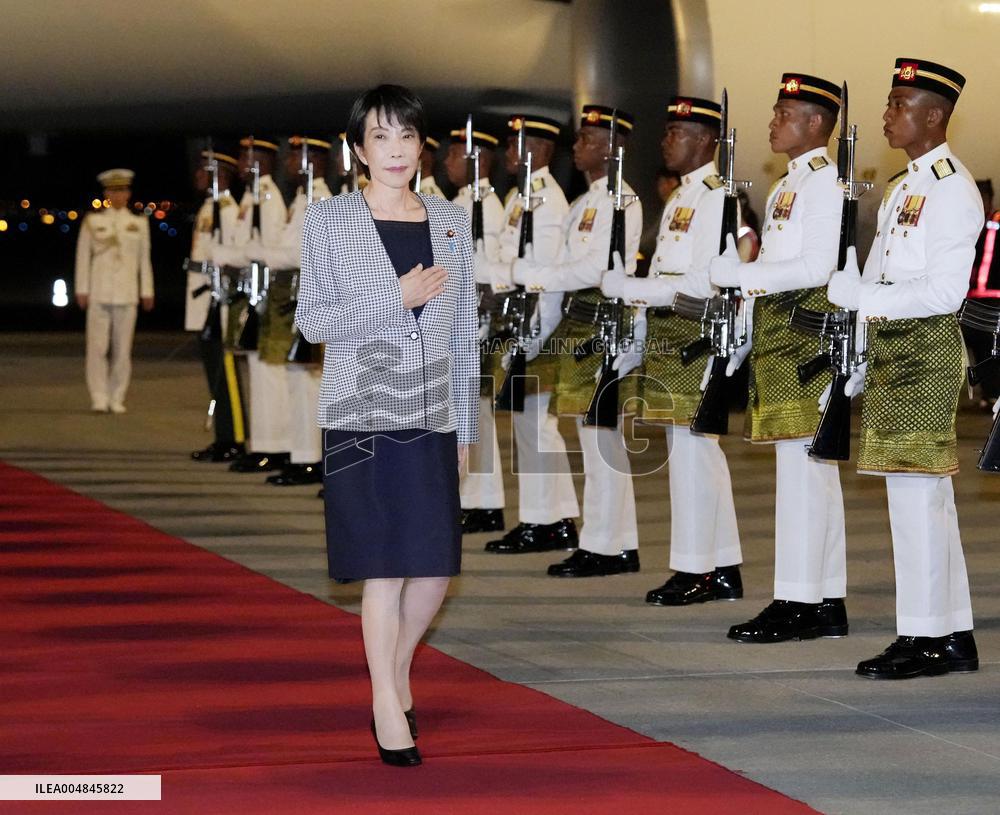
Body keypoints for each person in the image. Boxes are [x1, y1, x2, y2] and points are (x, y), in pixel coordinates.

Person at [296, 84, 478, 765]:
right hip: (361, 408)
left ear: (421, 146)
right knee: (384, 565)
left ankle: (394, 668)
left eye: (406, 136)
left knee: (433, 565)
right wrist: (391, 297)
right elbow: (314, 320)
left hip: (432, 409)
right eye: (380, 137)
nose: (395, 150)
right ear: (358, 148)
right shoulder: (328, 220)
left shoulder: (453, 221)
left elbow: (465, 332)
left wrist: (466, 425)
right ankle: (384, 703)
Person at [827, 58, 982, 679]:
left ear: (935, 116)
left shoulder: (952, 187)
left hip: (923, 353)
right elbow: (881, 273)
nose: (887, 114)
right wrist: (859, 339)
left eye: (899, 103)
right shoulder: (902, 185)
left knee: (916, 501)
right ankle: (951, 634)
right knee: (925, 500)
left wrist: (863, 300)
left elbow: (946, 292)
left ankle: (924, 637)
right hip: (893, 350)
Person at [710, 73, 848, 643]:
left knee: (804, 474)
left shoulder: (822, 183)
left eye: (783, 113)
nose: (773, 122)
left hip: (804, 338)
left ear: (815, 124)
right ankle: (820, 599)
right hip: (781, 334)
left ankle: (800, 600)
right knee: (805, 473)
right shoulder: (791, 183)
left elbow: (816, 268)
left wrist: (741, 273)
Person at [603, 95, 742, 605]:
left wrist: (635, 290)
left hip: (694, 333)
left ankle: (697, 569)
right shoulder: (684, 195)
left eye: (677, 132)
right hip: (669, 332)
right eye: (667, 131)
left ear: (705, 141)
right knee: (694, 455)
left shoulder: (715, 196)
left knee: (693, 456)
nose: (666, 140)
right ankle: (721, 565)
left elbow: (704, 279)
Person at [512, 104, 643, 578]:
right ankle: (611, 541)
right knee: (591, 438)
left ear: (612, 149)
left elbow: (594, 270)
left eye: (588, 139)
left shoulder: (620, 200)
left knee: (602, 439)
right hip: (578, 323)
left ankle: (608, 545)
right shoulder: (588, 201)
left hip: (602, 325)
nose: (578, 146)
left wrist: (540, 276)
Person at [483, 114, 581, 552]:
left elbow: (544, 277)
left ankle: (545, 521)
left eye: (514, 144)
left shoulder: (546, 201)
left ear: (539, 150)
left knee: (537, 425)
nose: (507, 153)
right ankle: (551, 519)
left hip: (537, 324)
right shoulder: (519, 195)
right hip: (518, 322)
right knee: (530, 426)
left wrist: (534, 337)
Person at [210, 136, 292, 473]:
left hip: (265, 293)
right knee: (257, 372)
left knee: (268, 373)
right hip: (251, 290)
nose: (242, 163)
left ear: (263, 161)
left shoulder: (268, 198)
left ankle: (275, 445)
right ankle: (263, 442)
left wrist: (226, 256)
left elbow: (266, 249)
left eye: (248, 157)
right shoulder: (254, 196)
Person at [443, 124, 507, 533]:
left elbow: (489, 265)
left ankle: (486, 502)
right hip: (458, 316)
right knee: (468, 410)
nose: (448, 162)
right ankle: (474, 498)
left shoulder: (490, 206)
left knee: (478, 412)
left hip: (478, 320)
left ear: (476, 159)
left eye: (455, 154)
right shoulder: (463, 202)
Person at [261, 136, 334, 486]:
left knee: (308, 381)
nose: (288, 164)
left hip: (311, 294)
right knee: (297, 379)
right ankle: (301, 453)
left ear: (313, 161)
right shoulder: (304, 198)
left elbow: (304, 251)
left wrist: (268, 254)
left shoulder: (320, 199)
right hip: (295, 293)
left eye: (295, 158)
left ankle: (311, 457)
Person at [74, 168, 154, 414]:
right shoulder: (93, 221)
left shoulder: (138, 223)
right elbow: (82, 257)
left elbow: (144, 260)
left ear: (128, 194)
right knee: (97, 347)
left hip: (127, 293)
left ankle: (117, 395)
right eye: (113, 191)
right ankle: (98, 396)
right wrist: (82, 288)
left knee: (123, 349)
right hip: (99, 291)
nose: (118, 196)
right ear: (107, 194)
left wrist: (147, 290)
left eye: (122, 191)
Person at [187, 147, 247, 462]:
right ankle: (224, 436)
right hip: (203, 301)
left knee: (225, 373)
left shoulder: (226, 208)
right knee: (215, 373)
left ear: (218, 175)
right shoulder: (210, 207)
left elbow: (232, 255)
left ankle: (234, 436)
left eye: (203, 171)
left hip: (217, 301)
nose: (197, 176)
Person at [965, 178, 1000, 408]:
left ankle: (992, 393)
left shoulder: (995, 223)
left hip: (994, 298)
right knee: (972, 344)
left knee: (989, 347)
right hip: (970, 298)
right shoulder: (968, 224)